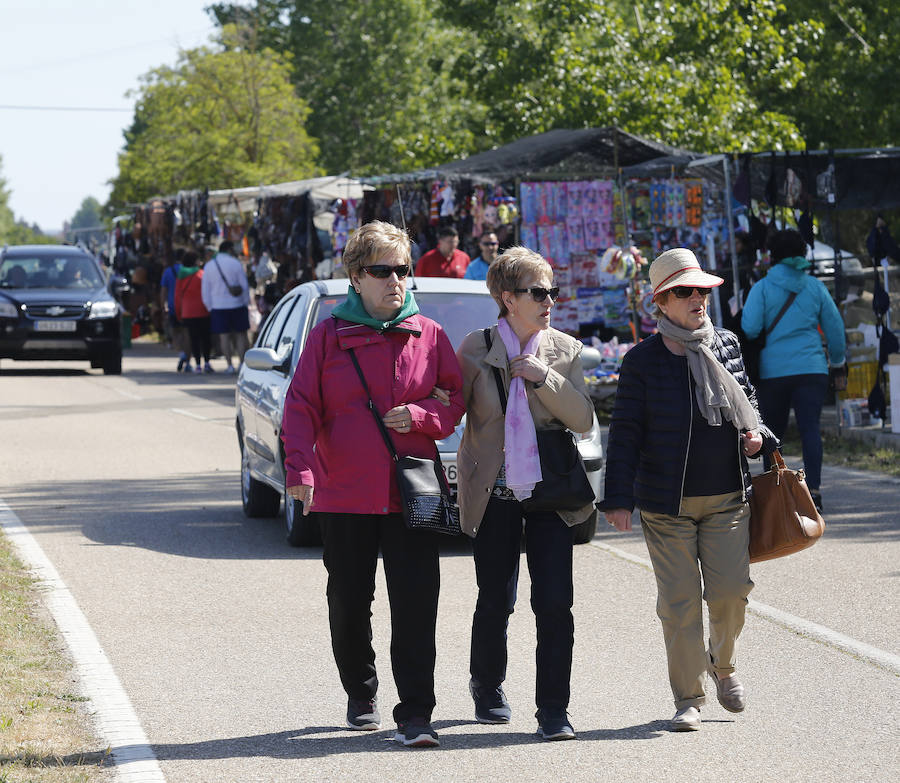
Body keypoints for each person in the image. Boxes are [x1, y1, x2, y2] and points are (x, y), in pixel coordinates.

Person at [281, 220, 464, 748]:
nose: (395, 281)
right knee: (348, 601)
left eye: (402, 270)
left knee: (416, 604)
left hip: (412, 494)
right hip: (344, 494)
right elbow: (300, 408)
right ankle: (361, 692)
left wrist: (422, 415)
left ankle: (416, 713)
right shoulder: (327, 336)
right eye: (381, 271)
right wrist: (300, 469)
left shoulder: (429, 335)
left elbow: (454, 401)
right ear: (356, 277)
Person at [602, 248, 778, 732]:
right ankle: (688, 697)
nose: (698, 297)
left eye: (702, 289)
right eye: (685, 290)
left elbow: (751, 404)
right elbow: (625, 432)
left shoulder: (726, 345)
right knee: (679, 604)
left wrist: (758, 436)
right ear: (661, 301)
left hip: (727, 498)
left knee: (729, 595)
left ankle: (723, 667)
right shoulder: (641, 361)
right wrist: (617, 498)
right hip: (666, 505)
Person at [455, 246, 594, 741]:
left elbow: (583, 419)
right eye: (539, 292)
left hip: (551, 494)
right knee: (496, 598)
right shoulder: (475, 349)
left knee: (555, 603)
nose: (550, 300)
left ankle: (554, 709)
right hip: (495, 492)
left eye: (553, 290)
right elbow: (450, 409)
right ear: (507, 297)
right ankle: (487, 685)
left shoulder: (566, 350)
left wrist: (545, 377)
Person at [741, 229, 846, 512]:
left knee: (771, 434)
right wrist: (838, 363)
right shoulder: (815, 287)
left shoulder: (762, 288)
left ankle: (777, 494)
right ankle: (814, 491)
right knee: (810, 428)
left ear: (772, 256)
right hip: (812, 369)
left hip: (773, 371)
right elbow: (835, 330)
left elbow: (749, 327)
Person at [200, 240, 250, 374]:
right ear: (229, 249)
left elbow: (205, 290)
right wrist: (246, 303)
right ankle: (241, 364)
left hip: (218, 306)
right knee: (240, 335)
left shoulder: (209, 266)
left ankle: (229, 365)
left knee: (224, 337)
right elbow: (244, 286)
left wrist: (209, 307)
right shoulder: (235, 263)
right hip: (237, 304)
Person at [174, 251, 212, 374]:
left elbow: (177, 297)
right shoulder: (202, 274)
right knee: (205, 338)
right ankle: (207, 363)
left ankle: (198, 365)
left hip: (187, 313)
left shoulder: (180, 276)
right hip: (203, 311)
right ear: (195, 261)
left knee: (193, 339)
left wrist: (179, 313)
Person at [160, 249, 188, 370]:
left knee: (176, 332)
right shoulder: (188, 271)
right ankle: (188, 356)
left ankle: (181, 353)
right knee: (186, 332)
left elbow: (163, 292)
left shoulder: (168, 272)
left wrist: (163, 306)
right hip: (187, 307)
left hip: (172, 307)